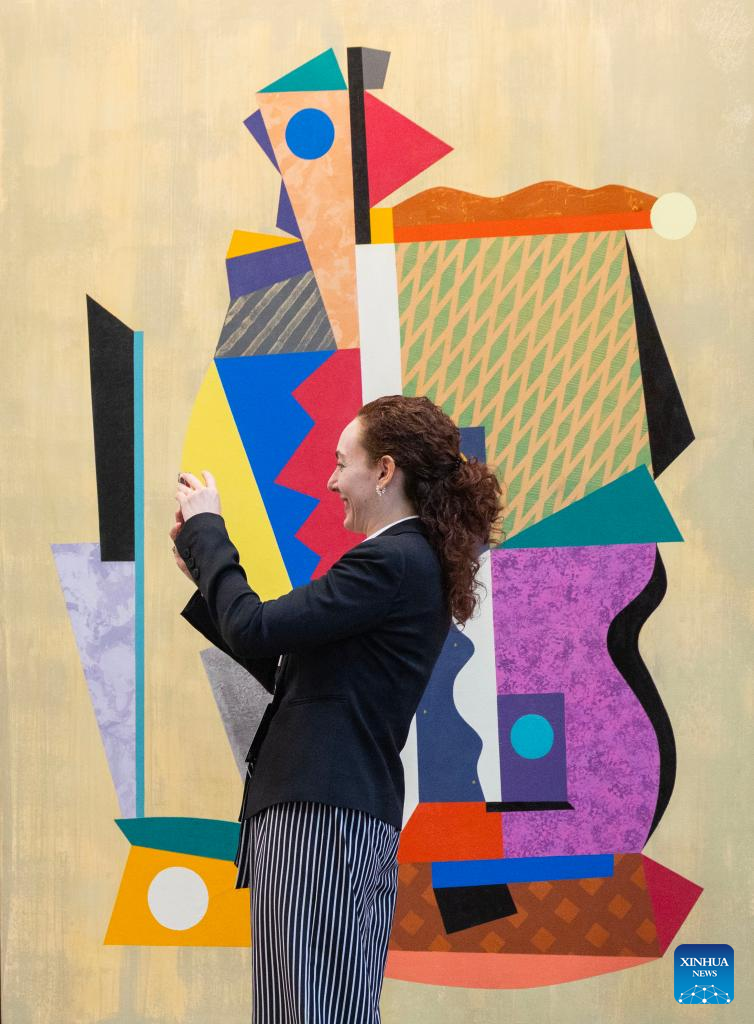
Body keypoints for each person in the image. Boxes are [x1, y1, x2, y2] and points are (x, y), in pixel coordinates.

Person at [170, 394, 503, 1024]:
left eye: (341, 462)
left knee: (305, 1009)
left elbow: (256, 628)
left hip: (319, 820)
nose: (330, 480)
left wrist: (209, 531)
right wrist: (207, 575)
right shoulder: (409, 563)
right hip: (340, 817)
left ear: (384, 470)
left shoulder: (390, 561)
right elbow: (287, 666)